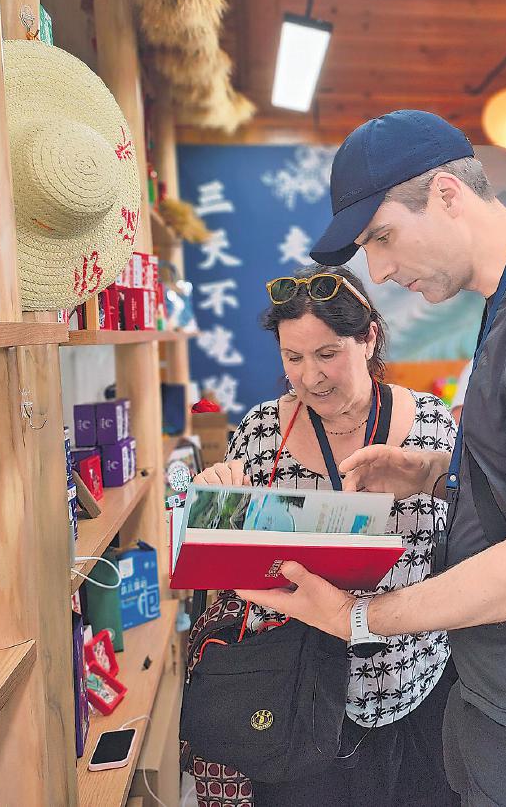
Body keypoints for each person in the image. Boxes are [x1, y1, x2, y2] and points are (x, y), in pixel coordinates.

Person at [235, 109, 506, 806]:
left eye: (382, 238)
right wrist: (437, 474)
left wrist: (357, 617)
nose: (379, 270)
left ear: (446, 194)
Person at [186, 264, 459, 807]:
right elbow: (230, 572)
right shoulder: (261, 433)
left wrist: (434, 477)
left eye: (327, 354)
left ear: (369, 338)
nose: (311, 377)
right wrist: (212, 503)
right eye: (293, 358)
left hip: (419, 684)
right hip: (297, 695)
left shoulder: (430, 426)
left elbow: (469, 541)